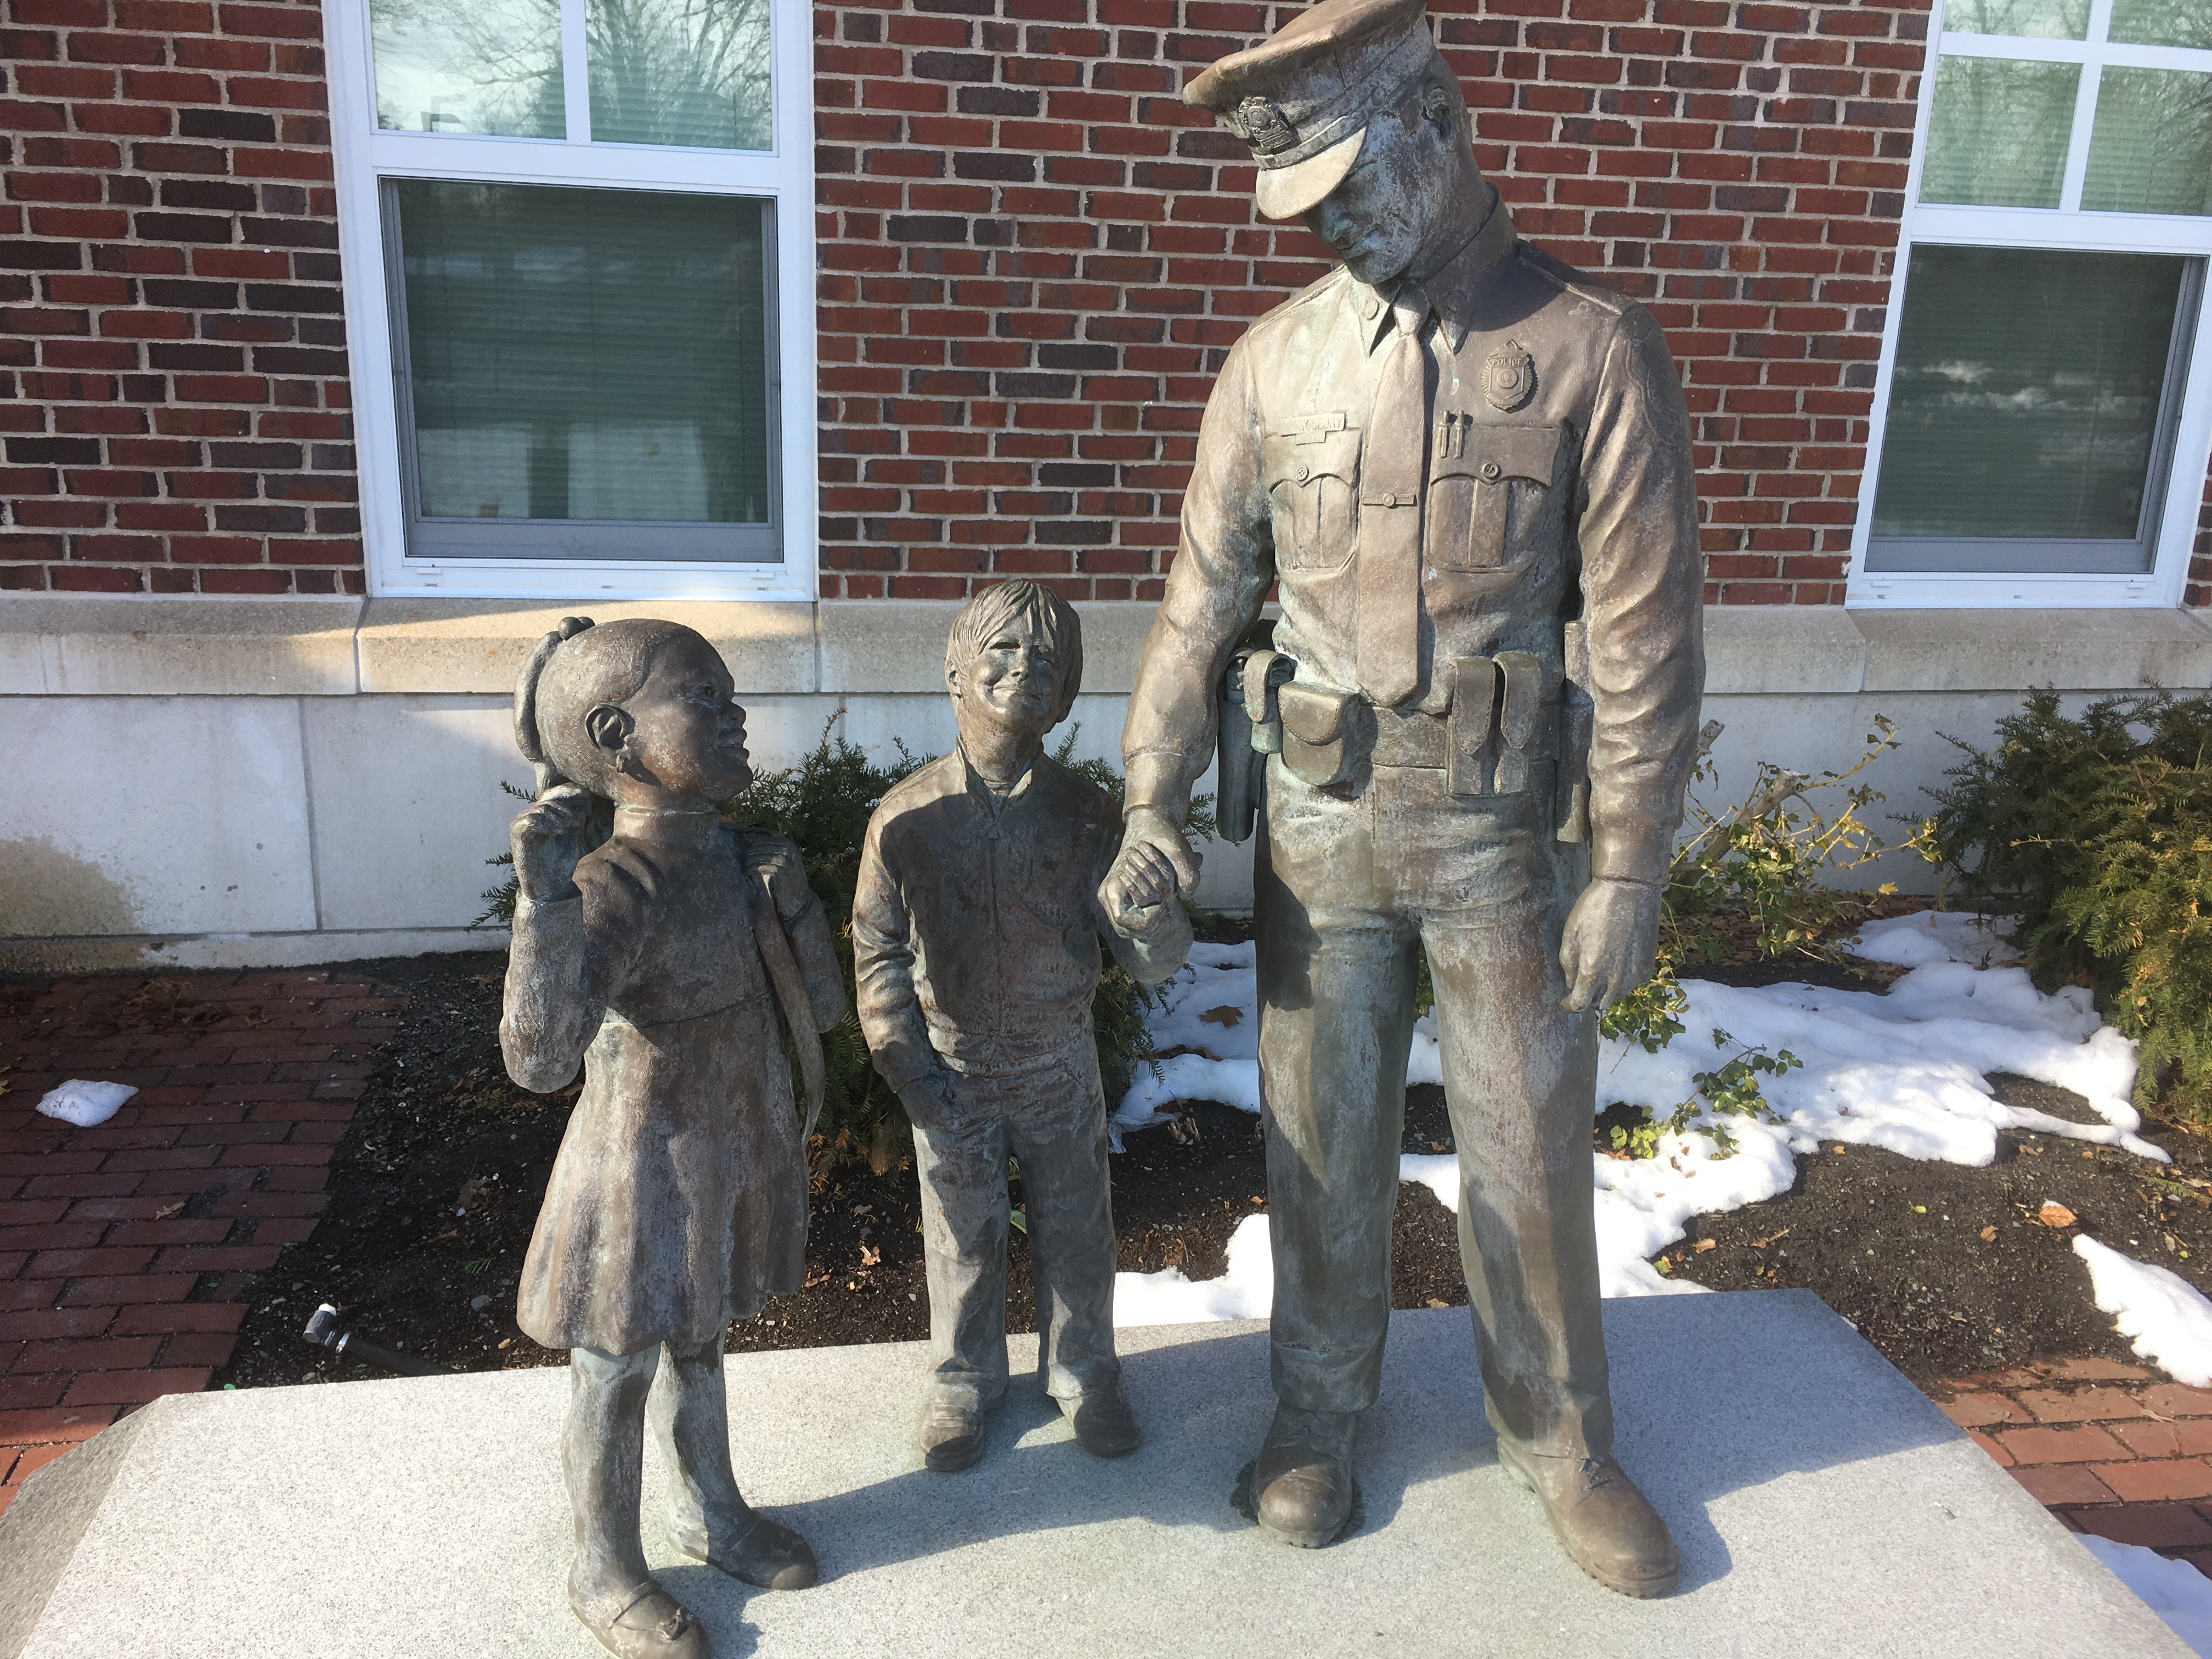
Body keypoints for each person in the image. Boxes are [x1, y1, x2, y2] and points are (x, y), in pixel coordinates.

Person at [1105, 0, 1705, 1597]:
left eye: (1352, 188)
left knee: (1522, 1137)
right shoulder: (1275, 362)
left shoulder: (1588, 349)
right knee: (1319, 1134)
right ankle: (1316, 1412)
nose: (1336, 232)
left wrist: (1628, 865)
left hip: (1499, 828)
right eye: (1306, 208)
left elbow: (1645, 643)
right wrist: (1150, 801)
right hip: (1317, 826)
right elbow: (1196, 604)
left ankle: (1560, 1434)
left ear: (1434, 126)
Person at [501, 616, 847, 1659]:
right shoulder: (618, 883)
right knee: (615, 1366)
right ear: (618, 734)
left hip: (724, 1146)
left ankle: (710, 1510)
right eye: (707, 699)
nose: (736, 717)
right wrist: (545, 904)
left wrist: (794, 913)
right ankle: (602, 1565)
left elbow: (821, 1011)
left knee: (701, 1339)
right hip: (639, 1162)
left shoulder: (742, 861)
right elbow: (538, 1056)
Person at [853, 580, 1194, 1472]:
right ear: (956, 671)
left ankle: (1084, 1370)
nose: (1023, 671)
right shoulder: (905, 819)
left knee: (1078, 1228)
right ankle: (964, 1378)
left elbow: (1147, 956)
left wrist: (1152, 918)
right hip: (952, 1068)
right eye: (1002, 651)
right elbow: (879, 952)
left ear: (1070, 688)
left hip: (1056, 1066)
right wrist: (907, 1065)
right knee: (961, 1235)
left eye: (1047, 659)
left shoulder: (1089, 816)